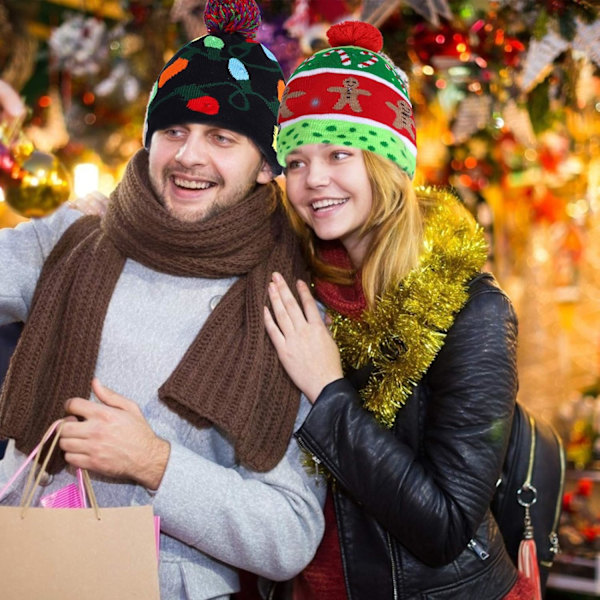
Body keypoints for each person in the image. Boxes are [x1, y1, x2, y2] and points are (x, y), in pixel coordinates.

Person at [0, 2, 325, 599]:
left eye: (222, 138)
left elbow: (290, 534)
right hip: (27, 569)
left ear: (264, 166)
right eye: (173, 131)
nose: (189, 156)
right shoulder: (73, 241)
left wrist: (155, 462)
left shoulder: (286, 310)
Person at [263, 20, 535, 600]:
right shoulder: (292, 286)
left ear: (387, 164)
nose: (314, 181)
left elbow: (444, 527)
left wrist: (327, 389)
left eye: (339, 153)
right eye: (297, 161)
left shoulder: (471, 313)